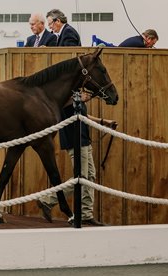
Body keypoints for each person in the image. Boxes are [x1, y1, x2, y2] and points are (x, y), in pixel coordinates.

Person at [37, 89, 117, 226]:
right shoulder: (66, 96)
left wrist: (103, 122)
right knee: (81, 177)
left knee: (90, 176)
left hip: (84, 141)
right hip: (76, 141)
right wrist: (79, 99)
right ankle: (46, 200)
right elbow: (64, 106)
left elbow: (84, 115)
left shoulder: (75, 96)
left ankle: (86, 214)